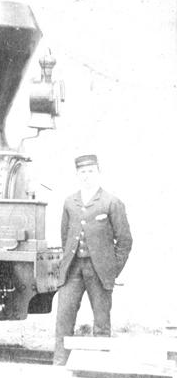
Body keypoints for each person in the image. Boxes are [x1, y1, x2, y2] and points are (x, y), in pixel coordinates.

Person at [53, 154, 133, 365]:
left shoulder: (111, 202)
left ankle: (99, 367)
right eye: (82, 172)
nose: (87, 176)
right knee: (64, 318)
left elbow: (125, 240)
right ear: (77, 175)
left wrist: (112, 269)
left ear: (98, 173)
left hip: (100, 271)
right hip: (73, 270)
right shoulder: (70, 202)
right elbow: (65, 236)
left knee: (101, 322)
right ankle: (60, 364)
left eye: (91, 171)